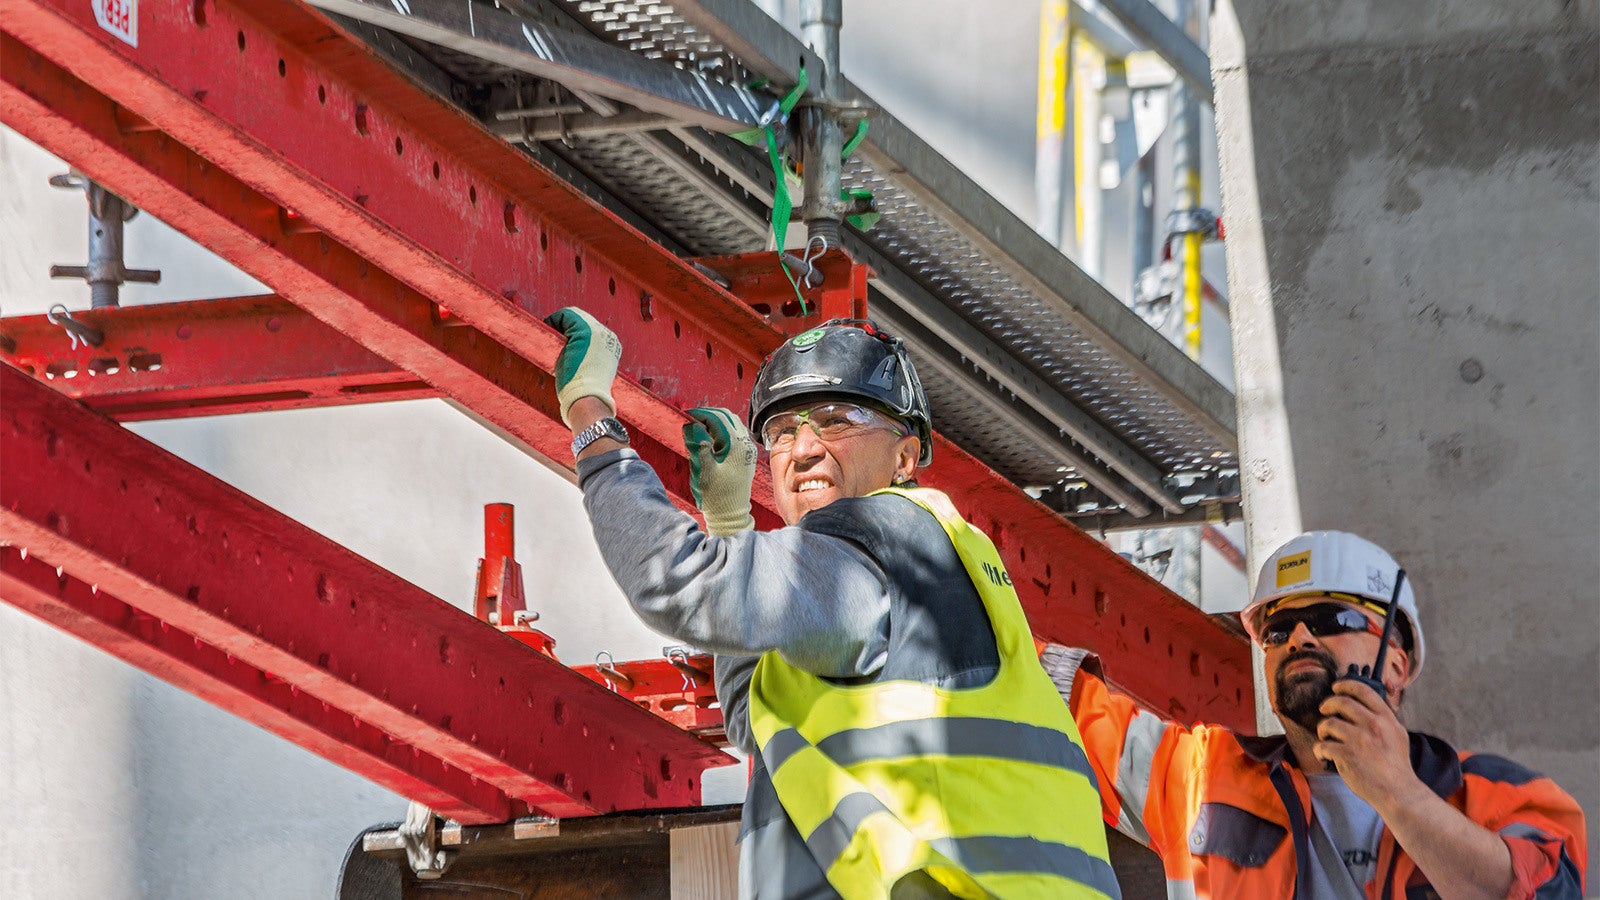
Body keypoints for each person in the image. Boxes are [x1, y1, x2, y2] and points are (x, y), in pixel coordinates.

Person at [544, 308, 1120, 899]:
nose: (802, 449)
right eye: (781, 431)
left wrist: (591, 420)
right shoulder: (942, 565)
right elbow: (757, 718)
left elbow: (675, 579)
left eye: (836, 421)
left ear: (905, 458)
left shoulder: (880, 542)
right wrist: (730, 522)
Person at [1042, 530, 1586, 898]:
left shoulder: (1499, 795)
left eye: (1332, 619)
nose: (1299, 636)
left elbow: (1546, 891)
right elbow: (1061, 699)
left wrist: (1398, 794)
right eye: (1277, 630)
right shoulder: (1200, 776)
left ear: (1396, 666)